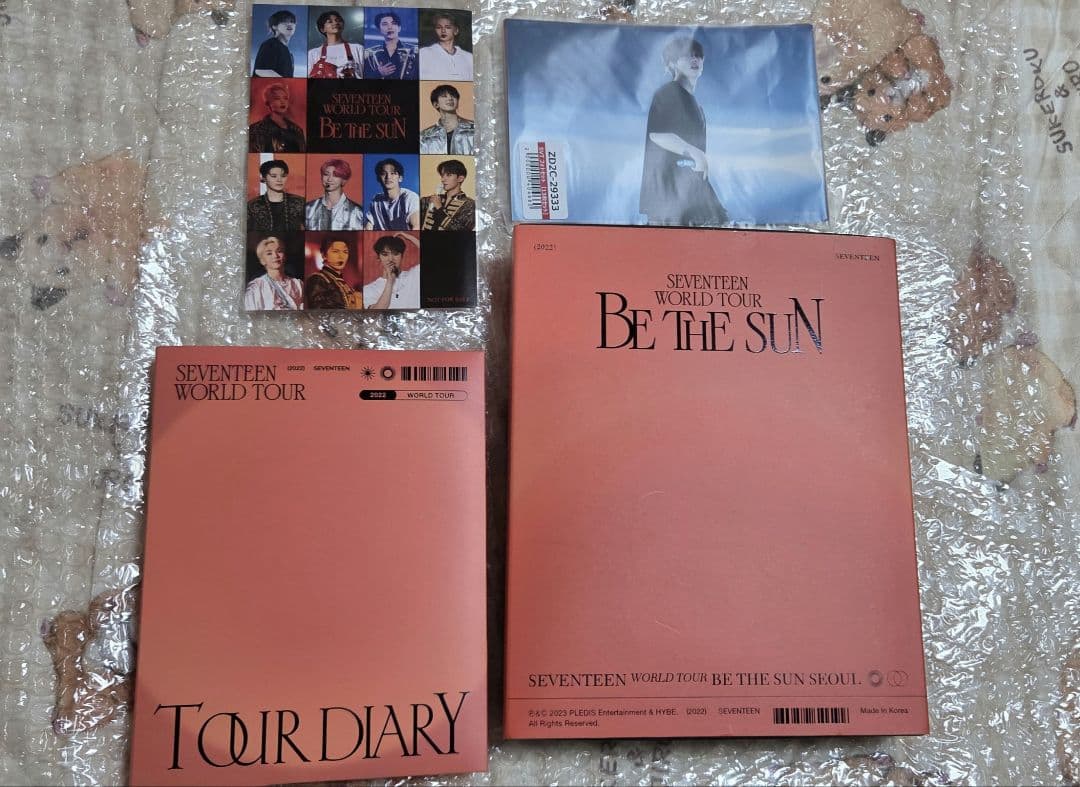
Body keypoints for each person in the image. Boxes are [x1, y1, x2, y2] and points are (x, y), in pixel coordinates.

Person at [639, 36, 728, 226]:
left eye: (698, 55)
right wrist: (696, 153)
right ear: (672, 63)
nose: (695, 59)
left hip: (689, 189)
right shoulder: (669, 93)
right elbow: (658, 134)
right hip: (669, 192)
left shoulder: (694, 104)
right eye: (687, 55)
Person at [244, 236, 303, 310]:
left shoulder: (297, 284)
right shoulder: (256, 287)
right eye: (269, 253)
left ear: (284, 256)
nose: (275, 256)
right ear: (262, 260)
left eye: (279, 251)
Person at [364, 233, 421, 309]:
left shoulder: (414, 275)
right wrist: (390, 282)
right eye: (385, 254)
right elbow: (376, 313)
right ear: (378, 257)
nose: (390, 259)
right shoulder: (369, 289)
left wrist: (409, 237)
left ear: (402, 256)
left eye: (395, 254)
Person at [304, 235, 362, 309]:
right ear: (324, 255)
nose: (341, 256)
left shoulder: (344, 282)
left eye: (345, 252)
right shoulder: (317, 280)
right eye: (335, 251)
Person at [247, 159, 305, 233]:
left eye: (283, 176)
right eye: (274, 176)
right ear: (264, 178)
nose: (279, 180)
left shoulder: (299, 202)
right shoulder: (252, 205)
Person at [305, 159, 365, 230]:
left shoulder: (357, 212)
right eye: (326, 174)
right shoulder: (309, 208)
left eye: (335, 175)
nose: (329, 179)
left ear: (343, 179)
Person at [248, 82, 306, 153]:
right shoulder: (256, 130)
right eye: (277, 98)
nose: (282, 102)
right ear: (268, 103)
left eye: (285, 98)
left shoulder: (297, 130)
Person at [419, 84, 476, 155]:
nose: (450, 98)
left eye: (453, 96)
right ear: (436, 104)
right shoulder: (425, 136)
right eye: (444, 96)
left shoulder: (474, 129)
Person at [364, 158, 420, 230]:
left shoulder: (410, 197)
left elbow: (416, 226)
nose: (388, 177)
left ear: (400, 178)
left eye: (393, 173)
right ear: (378, 178)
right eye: (384, 173)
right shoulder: (376, 200)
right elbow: (368, 228)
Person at [420, 159, 475, 231]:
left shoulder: (469, 204)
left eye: (449, 175)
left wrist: (439, 209)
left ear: (460, 178)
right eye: (442, 175)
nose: (443, 179)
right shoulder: (427, 201)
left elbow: (462, 231)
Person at [363, 11, 417, 79]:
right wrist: (378, 73)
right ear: (379, 30)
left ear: (399, 28)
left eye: (393, 23)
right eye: (385, 24)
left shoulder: (414, 51)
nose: (390, 27)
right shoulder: (370, 55)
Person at [419, 12, 473, 80]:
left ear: (456, 31)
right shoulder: (424, 53)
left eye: (448, 27)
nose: (443, 31)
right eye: (439, 27)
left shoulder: (468, 57)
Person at [307, 10, 361, 78]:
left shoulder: (357, 48)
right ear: (322, 29)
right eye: (330, 21)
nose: (336, 23)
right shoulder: (313, 53)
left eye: (338, 20)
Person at [252, 9, 297, 78]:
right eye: (284, 21)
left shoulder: (286, 50)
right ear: (274, 26)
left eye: (292, 22)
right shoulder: (270, 45)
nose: (290, 24)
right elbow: (260, 71)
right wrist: (285, 82)